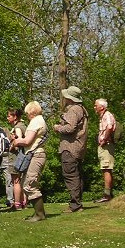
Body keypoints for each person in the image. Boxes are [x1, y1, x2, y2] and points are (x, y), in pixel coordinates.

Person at [10, 100, 48, 222]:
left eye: (27, 113)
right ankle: (38, 213)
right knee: (25, 183)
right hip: (36, 154)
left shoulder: (36, 121)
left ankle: (40, 214)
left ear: (31, 111)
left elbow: (27, 141)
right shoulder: (39, 120)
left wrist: (16, 141)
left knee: (30, 184)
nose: (26, 115)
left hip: (36, 155)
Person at [53, 85, 89, 213]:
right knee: (77, 175)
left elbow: (70, 128)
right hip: (78, 147)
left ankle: (75, 205)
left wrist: (57, 127)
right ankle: (77, 203)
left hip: (70, 148)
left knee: (70, 175)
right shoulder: (82, 109)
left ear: (70, 98)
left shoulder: (74, 110)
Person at [93, 98, 117, 203]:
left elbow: (110, 127)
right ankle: (108, 194)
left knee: (106, 169)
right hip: (105, 146)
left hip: (106, 145)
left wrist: (104, 139)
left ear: (101, 107)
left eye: (95, 105)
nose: (94, 107)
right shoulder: (104, 116)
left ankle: (107, 196)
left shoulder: (107, 115)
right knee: (105, 169)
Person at [4, 108, 27, 211]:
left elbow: (19, 144)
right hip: (22, 157)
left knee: (16, 181)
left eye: (9, 116)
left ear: (15, 117)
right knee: (21, 181)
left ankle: (17, 204)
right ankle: (23, 202)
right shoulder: (23, 126)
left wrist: (12, 141)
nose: (7, 118)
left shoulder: (17, 128)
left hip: (16, 157)